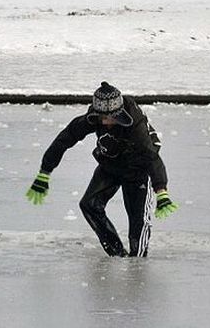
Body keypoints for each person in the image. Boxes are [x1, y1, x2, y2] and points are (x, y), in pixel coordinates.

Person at [26, 82, 178, 257]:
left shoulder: (135, 124)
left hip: (138, 168)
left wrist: (161, 190)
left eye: (111, 118)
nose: (106, 123)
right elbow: (65, 139)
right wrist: (44, 173)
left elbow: (150, 156)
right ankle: (117, 253)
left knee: (137, 222)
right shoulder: (94, 117)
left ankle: (137, 262)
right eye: (102, 118)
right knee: (89, 205)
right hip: (110, 164)